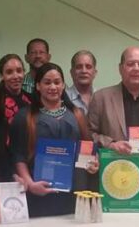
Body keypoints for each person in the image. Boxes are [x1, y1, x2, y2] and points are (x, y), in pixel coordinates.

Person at [9, 63, 92, 217]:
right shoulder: (24, 117)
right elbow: (18, 155)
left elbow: (87, 148)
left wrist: (92, 163)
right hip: (38, 193)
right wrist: (31, 184)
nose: (53, 87)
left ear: (63, 85)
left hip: (73, 193)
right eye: (47, 82)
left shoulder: (77, 114)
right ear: (38, 86)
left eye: (57, 82)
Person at [0, 53, 31, 124]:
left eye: (19, 71)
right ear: (1, 76)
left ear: (24, 72)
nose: (15, 76)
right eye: (9, 72)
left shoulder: (30, 98)